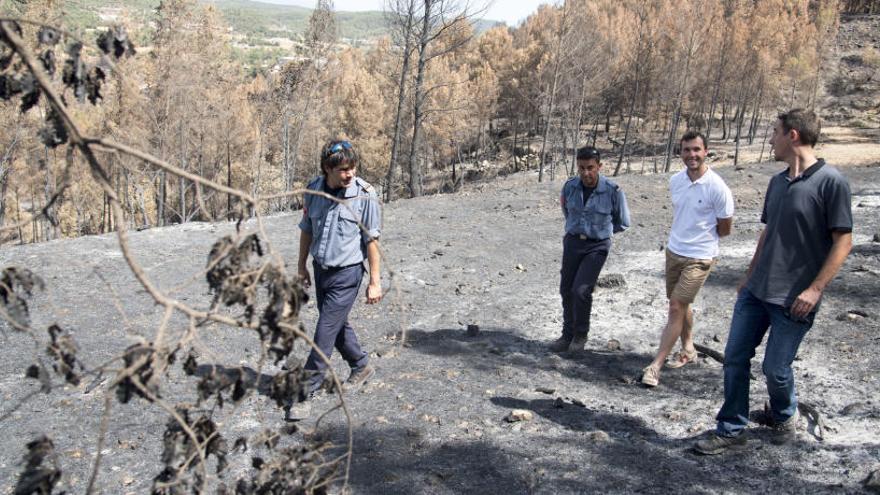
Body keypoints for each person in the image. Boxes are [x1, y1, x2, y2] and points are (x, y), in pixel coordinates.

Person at [695, 109, 853, 454]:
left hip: (795, 297)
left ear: (792, 135)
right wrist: (749, 274)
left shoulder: (831, 181)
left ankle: (784, 414)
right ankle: (732, 430)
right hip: (756, 290)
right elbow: (768, 233)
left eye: (775, 132)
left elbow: (843, 241)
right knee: (735, 357)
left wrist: (814, 290)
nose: (770, 139)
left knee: (775, 369)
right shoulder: (778, 182)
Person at [289, 139, 383, 420]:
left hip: (348, 274)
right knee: (335, 324)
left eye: (353, 168)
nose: (350, 174)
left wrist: (375, 281)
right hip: (321, 270)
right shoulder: (314, 189)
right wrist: (302, 266)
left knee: (324, 332)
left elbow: (372, 240)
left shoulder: (365, 195)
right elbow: (307, 229)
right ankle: (360, 364)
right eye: (343, 169)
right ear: (327, 169)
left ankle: (305, 391)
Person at [641, 131, 734, 387]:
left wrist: (703, 243)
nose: (691, 155)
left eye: (696, 149)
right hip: (674, 252)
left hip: (701, 256)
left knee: (675, 307)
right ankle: (689, 349)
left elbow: (725, 228)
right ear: (680, 152)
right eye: (686, 150)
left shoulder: (718, 187)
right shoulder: (676, 181)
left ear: (706, 151)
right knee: (681, 305)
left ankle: (655, 365)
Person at [550, 146, 630, 352]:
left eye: (591, 168)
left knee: (581, 290)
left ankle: (580, 335)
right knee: (566, 289)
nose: (586, 173)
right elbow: (567, 211)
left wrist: (600, 233)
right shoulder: (570, 187)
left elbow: (622, 221)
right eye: (582, 168)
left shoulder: (612, 190)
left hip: (597, 246)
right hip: (573, 242)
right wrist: (577, 230)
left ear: (599, 167)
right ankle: (566, 335)